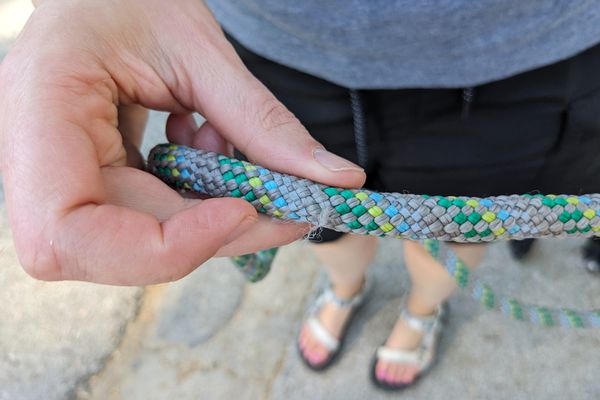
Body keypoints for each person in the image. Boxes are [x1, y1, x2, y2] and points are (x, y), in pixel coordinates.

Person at [1, 0, 599, 392]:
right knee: (320, 222)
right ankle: (345, 289)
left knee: (459, 226)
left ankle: (421, 310)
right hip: (277, 47)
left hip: (530, 60)